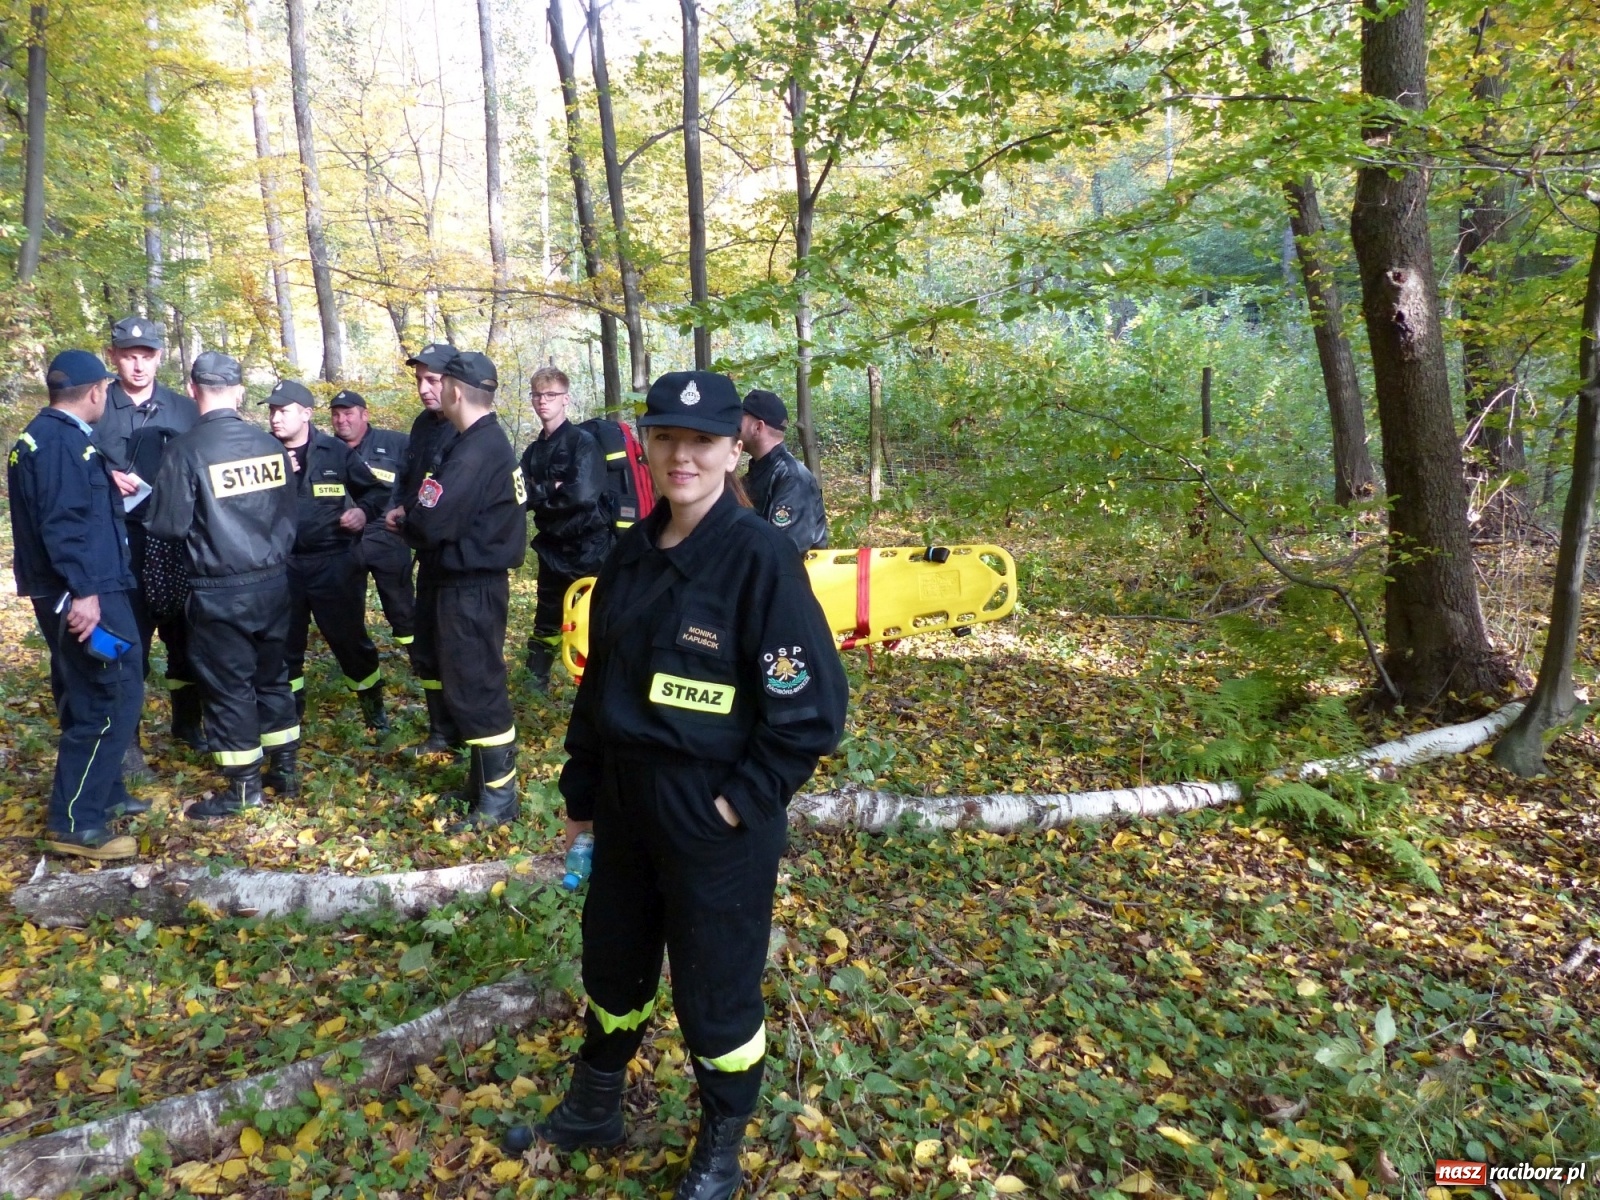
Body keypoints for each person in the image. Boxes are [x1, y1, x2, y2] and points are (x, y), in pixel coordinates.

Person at [512, 371, 847, 1200]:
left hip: (715, 817)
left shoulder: (759, 557)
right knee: (613, 964)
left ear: (734, 448)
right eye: (667, 439)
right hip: (625, 806)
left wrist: (738, 800)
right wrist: (582, 803)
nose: (682, 456)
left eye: (702, 441)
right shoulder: (629, 551)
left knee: (716, 992)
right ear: (647, 448)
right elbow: (599, 690)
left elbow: (809, 712)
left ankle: (721, 1145)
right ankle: (595, 1107)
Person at [146, 352, 299, 817]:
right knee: (274, 677)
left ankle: (243, 789)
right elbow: (288, 513)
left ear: (193, 391)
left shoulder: (185, 450)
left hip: (219, 590)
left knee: (230, 687)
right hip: (275, 583)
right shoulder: (270, 446)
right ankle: (286, 770)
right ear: (238, 391)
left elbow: (168, 527)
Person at [8, 350, 147, 860]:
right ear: (95, 391)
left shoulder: (37, 438)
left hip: (71, 589)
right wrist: (84, 593)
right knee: (111, 692)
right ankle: (76, 821)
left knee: (86, 688)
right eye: (107, 390)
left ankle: (104, 791)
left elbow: (62, 509)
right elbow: (62, 524)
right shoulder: (63, 444)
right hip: (86, 595)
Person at [399, 351, 527, 830]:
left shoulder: (476, 450)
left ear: (454, 390)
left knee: (477, 688)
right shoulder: (476, 442)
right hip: (458, 580)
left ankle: (500, 798)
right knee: (462, 681)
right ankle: (480, 783)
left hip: (471, 586)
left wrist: (409, 522)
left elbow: (433, 520)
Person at [93, 316, 203, 770]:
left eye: (147, 356)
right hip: (119, 541)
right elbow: (71, 466)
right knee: (125, 641)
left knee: (186, 637)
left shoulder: (184, 409)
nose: (138, 365)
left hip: (177, 539)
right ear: (113, 357)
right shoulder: (95, 408)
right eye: (129, 355)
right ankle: (126, 740)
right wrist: (101, 478)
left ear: (159, 357)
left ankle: (188, 724)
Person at [267, 381, 393, 732]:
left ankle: (374, 711)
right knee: (284, 645)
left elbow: (375, 491)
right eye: (272, 411)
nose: (276, 418)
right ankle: (289, 720)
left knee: (350, 640)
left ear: (306, 414)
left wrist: (363, 514)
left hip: (334, 563)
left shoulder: (335, 451)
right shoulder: (260, 452)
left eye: (284, 410)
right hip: (282, 566)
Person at [385, 342, 462, 754]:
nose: (424, 389)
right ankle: (440, 730)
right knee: (427, 643)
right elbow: (411, 476)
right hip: (424, 551)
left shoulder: (465, 428)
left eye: (431, 380)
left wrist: (416, 517)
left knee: (458, 649)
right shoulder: (422, 424)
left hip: (457, 558)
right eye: (419, 380)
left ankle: (468, 732)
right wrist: (399, 507)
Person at [519, 366, 611, 691]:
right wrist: (552, 487)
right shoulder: (532, 452)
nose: (543, 401)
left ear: (565, 399)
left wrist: (540, 492)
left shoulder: (582, 443)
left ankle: (595, 690)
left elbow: (582, 494)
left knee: (590, 621)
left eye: (551, 395)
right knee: (546, 618)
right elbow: (517, 494)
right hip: (550, 548)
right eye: (538, 395)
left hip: (588, 548)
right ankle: (534, 686)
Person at [330, 389, 416, 655]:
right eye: (336, 415)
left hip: (387, 538)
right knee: (346, 610)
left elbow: (421, 478)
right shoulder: (324, 450)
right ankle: (361, 662)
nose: (342, 420)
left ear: (364, 415)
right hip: (342, 543)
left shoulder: (396, 444)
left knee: (402, 607)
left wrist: (408, 511)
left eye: (348, 414)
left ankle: (419, 658)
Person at [739, 390, 828, 553]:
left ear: (758, 427)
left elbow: (785, 551)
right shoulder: (754, 475)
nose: (734, 426)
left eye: (740, 418)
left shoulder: (793, 479)